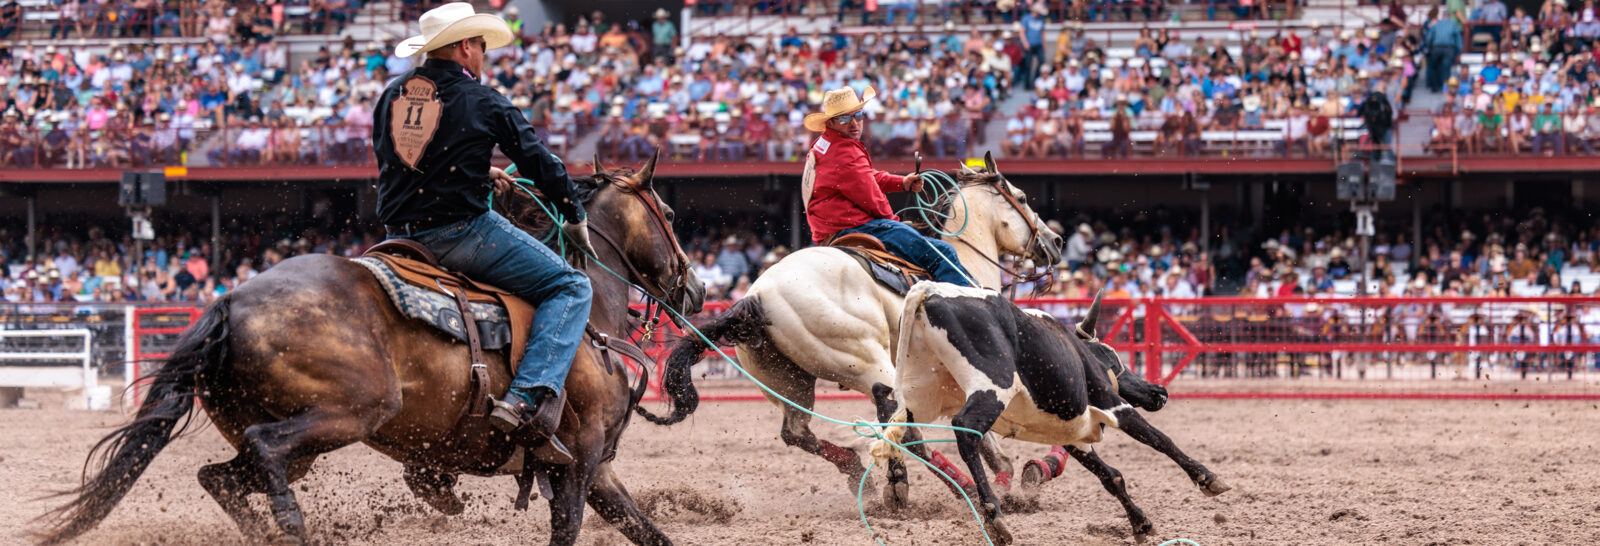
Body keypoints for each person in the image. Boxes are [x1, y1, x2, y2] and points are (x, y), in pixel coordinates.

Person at [372, 2, 593, 464]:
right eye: (482, 46)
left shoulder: (391, 95)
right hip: (460, 233)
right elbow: (540, 163)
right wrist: (573, 210)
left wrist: (476, 171)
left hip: (398, 237)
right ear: (465, 47)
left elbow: (408, 163)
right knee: (571, 286)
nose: (485, 54)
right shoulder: (483, 100)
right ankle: (528, 396)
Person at [801, 86, 974, 287]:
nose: (855, 124)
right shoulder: (846, 151)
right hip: (851, 227)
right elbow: (871, 196)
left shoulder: (822, 145)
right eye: (845, 119)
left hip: (829, 230)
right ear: (831, 122)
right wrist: (895, 222)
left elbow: (861, 177)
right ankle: (965, 309)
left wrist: (901, 183)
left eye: (858, 115)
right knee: (942, 252)